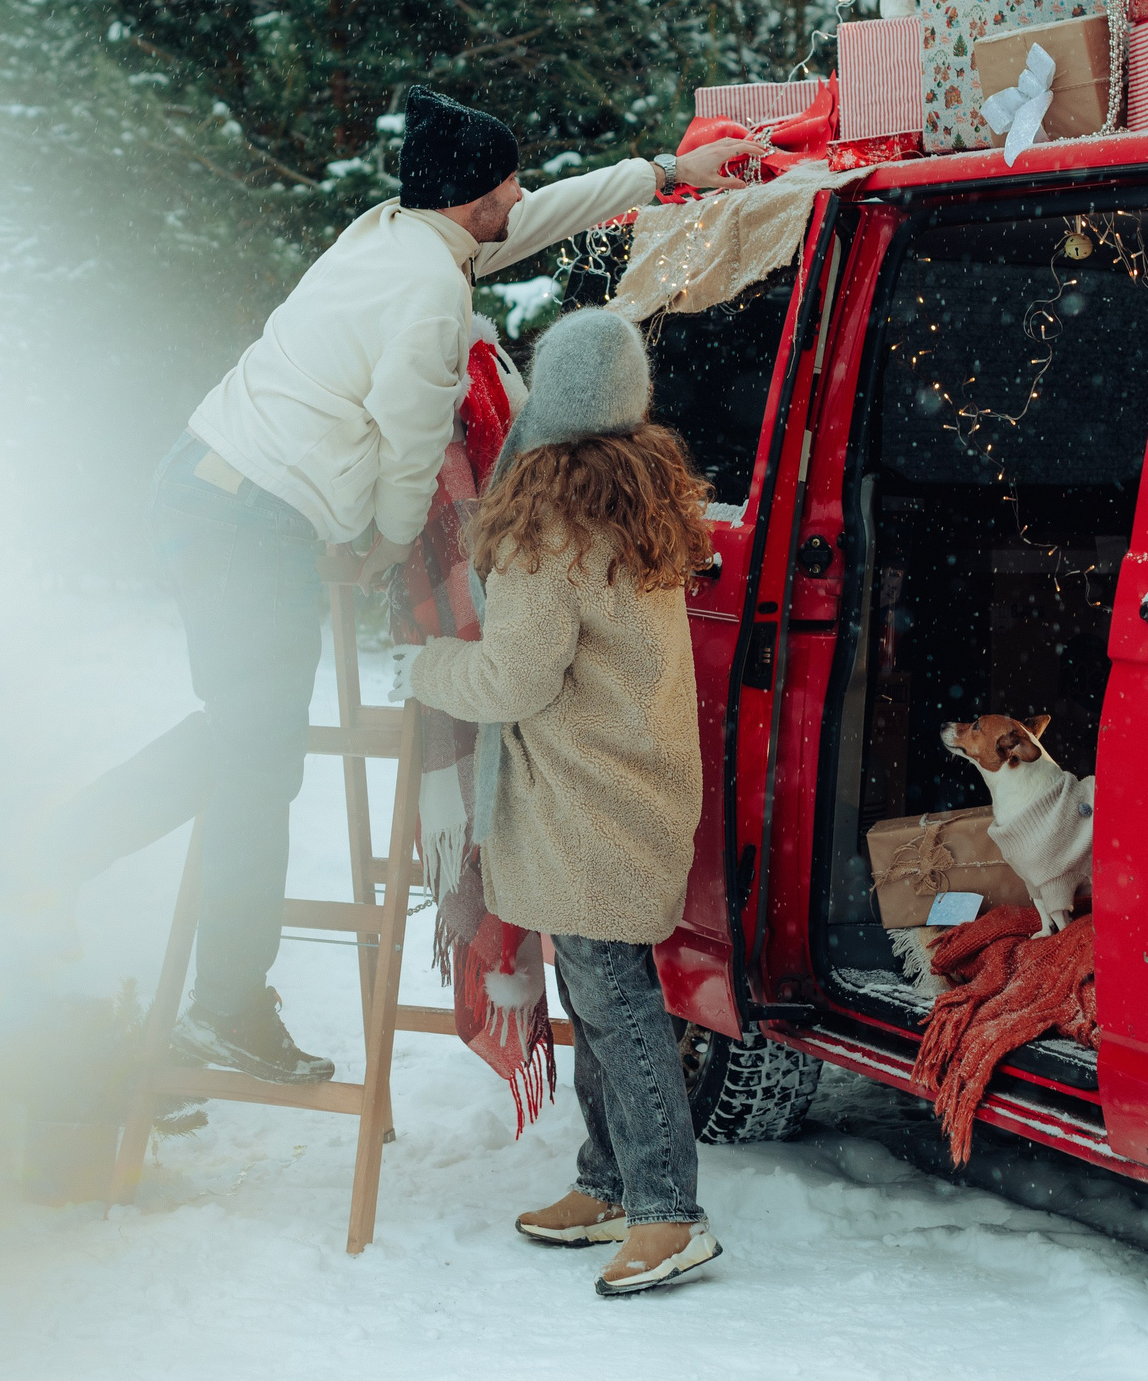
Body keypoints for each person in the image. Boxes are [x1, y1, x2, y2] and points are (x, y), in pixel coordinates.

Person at [66, 91, 758, 1086]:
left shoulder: (390, 231)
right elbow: (411, 439)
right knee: (257, 759)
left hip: (206, 483)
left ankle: (76, 860)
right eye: (506, 184)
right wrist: (388, 545)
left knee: (242, 740)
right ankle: (212, 997)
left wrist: (660, 176)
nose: (519, 196)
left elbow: (538, 214)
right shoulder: (431, 295)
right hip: (247, 521)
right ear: (472, 199)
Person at [388, 309, 720, 1297]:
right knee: (599, 992)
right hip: (632, 786)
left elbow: (513, 679)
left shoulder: (551, 528)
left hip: (587, 804)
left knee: (616, 1003)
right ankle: (609, 1181)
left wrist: (426, 666)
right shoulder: (637, 500)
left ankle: (667, 1211)